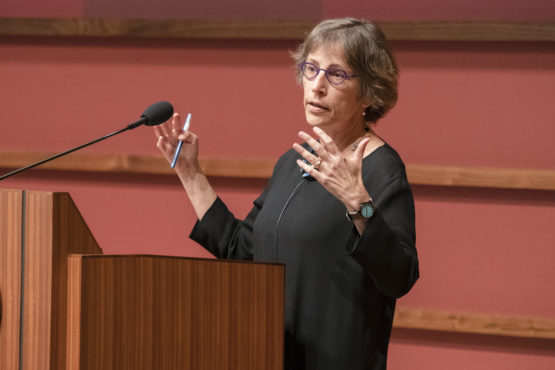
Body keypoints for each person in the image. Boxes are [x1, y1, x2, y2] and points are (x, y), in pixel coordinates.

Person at [154, 17, 419, 370]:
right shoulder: (294, 162)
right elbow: (243, 251)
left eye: (337, 74)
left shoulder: (381, 169)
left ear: (369, 93)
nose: (317, 85)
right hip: (268, 357)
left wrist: (359, 204)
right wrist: (190, 173)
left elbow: (399, 275)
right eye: (311, 69)